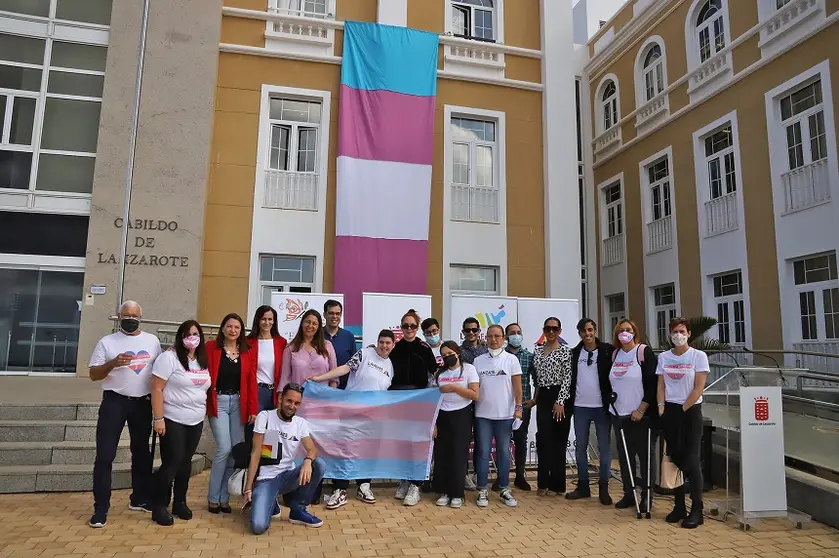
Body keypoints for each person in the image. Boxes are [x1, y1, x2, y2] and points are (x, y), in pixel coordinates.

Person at [88, 301, 162, 528]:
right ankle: (101, 508)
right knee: (105, 455)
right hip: (114, 402)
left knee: (141, 453)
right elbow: (93, 374)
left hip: (142, 403)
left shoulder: (152, 341)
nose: (130, 318)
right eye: (126, 315)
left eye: (134, 315)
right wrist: (112, 363)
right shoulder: (107, 342)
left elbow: (159, 371)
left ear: (141, 316)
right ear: (119, 316)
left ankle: (139, 498)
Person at [312, 330, 396, 509]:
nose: (384, 346)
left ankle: (364, 485)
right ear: (377, 342)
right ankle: (340, 489)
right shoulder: (365, 354)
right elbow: (345, 368)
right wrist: (320, 378)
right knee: (345, 450)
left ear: (393, 345)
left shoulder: (390, 366)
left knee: (368, 452)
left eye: (388, 343)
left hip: (373, 417)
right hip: (350, 412)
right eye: (381, 342)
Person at [149, 320, 211, 526]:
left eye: (195, 333)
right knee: (172, 461)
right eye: (187, 334)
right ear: (180, 337)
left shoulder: (202, 359)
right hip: (173, 418)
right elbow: (156, 388)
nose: (192, 337)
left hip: (195, 419)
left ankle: (180, 502)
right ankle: (158, 505)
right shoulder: (169, 358)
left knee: (185, 463)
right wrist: (158, 418)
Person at [244, 383, 325, 533]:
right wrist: (248, 489)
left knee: (318, 464)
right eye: (289, 401)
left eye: (296, 403)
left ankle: (298, 510)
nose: (292, 406)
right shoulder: (265, 417)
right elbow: (255, 453)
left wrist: (307, 461)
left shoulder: (300, 423)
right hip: (267, 479)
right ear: (280, 398)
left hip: (288, 476)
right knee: (258, 527)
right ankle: (269, 501)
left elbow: (312, 449)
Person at [657, 317, 709, 529]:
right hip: (670, 411)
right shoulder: (664, 357)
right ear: (670, 334)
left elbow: (698, 388)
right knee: (675, 458)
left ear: (689, 334)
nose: (678, 335)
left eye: (682, 331)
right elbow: (661, 384)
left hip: (690, 411)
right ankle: (678, 506)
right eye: (675, 331)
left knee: (691, 459)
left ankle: (697, 509)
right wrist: (661, 407)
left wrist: (682, 409)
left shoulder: (698, 356)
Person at [206, 313, 258, 514]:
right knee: (223, 448)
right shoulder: (211, 348)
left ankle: (224, 498)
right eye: (229, 326)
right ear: (222, 328)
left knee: (234, 451)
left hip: (238, 402)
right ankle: (212, 497)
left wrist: (253, 408)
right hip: (218, 401)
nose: (233, 330)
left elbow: (251, 382)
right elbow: (193, 357)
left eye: (237, 327)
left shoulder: (247, 351)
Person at [388, 309, 438, 506]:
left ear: (417, 328)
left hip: (419, 401)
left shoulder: (425, 349)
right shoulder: (394, 348)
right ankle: (404, 480)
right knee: (402, 444)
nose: (409, 329)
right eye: (405, 325)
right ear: (401, 327)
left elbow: (435, 376)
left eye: (413, 326)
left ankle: (416, 484)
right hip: (398, 401)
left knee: (417, 444)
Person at [608, 318, 658, 513]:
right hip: (619, 414)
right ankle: (629, 493)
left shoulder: (643, 352)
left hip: (640, 416)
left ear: (635, 332)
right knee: (625, 456)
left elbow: (653, 384)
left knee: (645, 457)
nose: (624, 333)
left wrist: (642, 408)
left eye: (628, 330)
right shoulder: (615, 354)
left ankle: (647, 496)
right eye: (621, 330)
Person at [473, 324, 523, 508]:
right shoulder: (478, 361)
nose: (494, 339)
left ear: (503, 338)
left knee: (503, 452)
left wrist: (518, 409)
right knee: (484, 453)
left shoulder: (511, 360)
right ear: (485, 338)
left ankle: (504, 489)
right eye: (490, 336)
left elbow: (518, 387)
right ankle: (482, 490)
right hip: (483, 415)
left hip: (505, 415)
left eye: (497, 336)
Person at [566, 318, 614, 505]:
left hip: (602, 407)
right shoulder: (574, 353)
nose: (588, 334)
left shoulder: (607, 350)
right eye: (584, 331)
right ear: (579, 333)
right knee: (580, 448)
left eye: (590, 330)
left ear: (595, 330)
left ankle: (604, 488)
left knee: (604, 449)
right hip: (580, 407)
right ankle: (583, 486)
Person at [431, 342, 479, 508]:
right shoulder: (440, 374)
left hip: (462, 414)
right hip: (442, 415)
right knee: (442, 454)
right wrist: (434, 423)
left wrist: (453, 387)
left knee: (458, 454)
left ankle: (457, 493)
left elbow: (474, 394)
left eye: (450, 353)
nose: (447, 357)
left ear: (458, 352)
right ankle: (444, 491)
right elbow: (434, 399)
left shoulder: (469, 369)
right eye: (444, 356)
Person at [532, 317, 573, 496]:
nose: (551, 332)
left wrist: (560, 401)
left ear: (560, 331)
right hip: (543, 397)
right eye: (548, 329)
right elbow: (537, 380)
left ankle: (558, 485)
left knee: (558, 441)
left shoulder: (566, 351)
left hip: (560, 398)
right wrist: (535, 398)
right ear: (543, 330)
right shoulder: (538, 351)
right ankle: (542, 483)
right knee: (543, 439)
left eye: (554, 329)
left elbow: (567, 378)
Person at [504, 323, 535, 491]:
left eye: (518, 332)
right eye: (512, 333)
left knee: (521, 440)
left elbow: (537, 380)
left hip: (522, 406)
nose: (516, 335)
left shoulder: (529, 356)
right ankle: (502, 477)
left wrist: (534, 400)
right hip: (502, 406)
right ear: (506, 337)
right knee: (503, 441)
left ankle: (520, 476)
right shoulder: (501, 355)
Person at [280, 309, 337, 388]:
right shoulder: (290, 348)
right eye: (308, 322)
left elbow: (334, 377)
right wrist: (281, 395)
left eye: (314, 324)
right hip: (298, 398)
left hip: (323, 397)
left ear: (318, 327)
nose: (310, 326)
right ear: (302, 323)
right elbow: (284, 378)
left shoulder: (327, 346)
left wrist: (330, 395)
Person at [246, 305, 288, 412]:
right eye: (263, 319)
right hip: (257, 391)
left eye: (270, 319)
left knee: (272, 427)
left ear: (274, 321)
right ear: (258, 320)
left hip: (275, 392)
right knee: (255, 426)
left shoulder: (281, 343)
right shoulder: (248, 342)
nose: (267, 322)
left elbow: (285, 370)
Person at [323, 300, 358, 389]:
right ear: (324, 315)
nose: (334, 316)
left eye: (337, 314)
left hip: (343, 390)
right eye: (331, 313)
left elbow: (354, 364)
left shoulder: (348, 336)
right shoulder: (316, 335)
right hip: (320, 387)